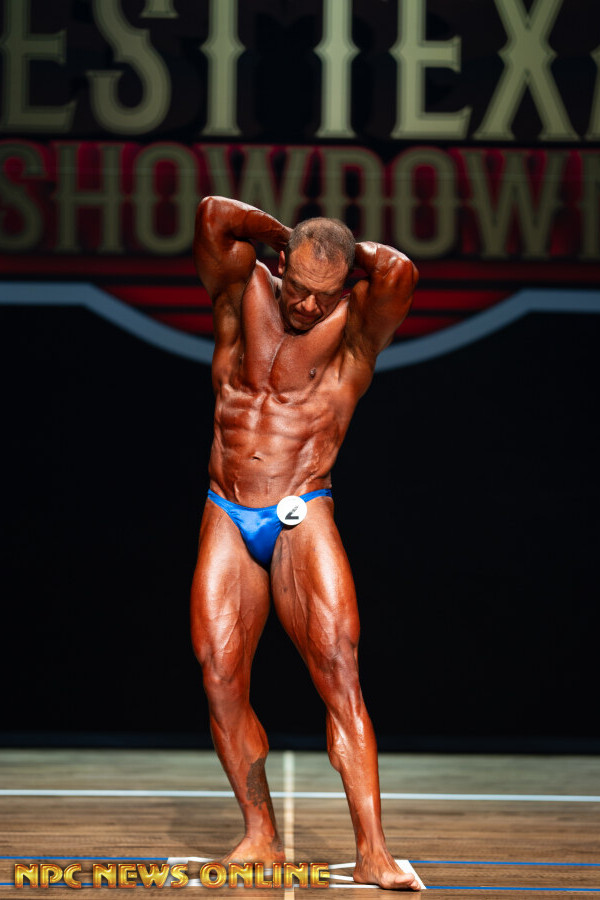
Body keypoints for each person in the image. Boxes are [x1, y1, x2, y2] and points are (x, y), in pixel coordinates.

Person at [190, 196, 419, 890]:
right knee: (220, 675)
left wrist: (342, 258)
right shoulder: (242, 289)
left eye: (326, 293)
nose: (308, 306)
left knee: (339, 672)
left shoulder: (355, 330)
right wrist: (287, 236)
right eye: (299, 287)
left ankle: (374, 852)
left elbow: (400, 271)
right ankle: (259, 835)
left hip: (300, 508)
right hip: (226, 507)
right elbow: (213, 214)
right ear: (281, 262)